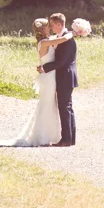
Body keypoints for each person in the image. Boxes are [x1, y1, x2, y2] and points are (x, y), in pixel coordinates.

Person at [0, 18, 74, 146]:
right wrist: (73, 33)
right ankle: (42, 135)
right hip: (48, 78)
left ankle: (51, 134)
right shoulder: (44, 42)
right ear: (43, 29)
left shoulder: (45, 41)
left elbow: (57, 40)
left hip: (49, 75)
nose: (50, 28)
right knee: (47, 105)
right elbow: (61, 39)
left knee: (50, 104)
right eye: (48, 26)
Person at [36, 13, 81, 147]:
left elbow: (62, 62)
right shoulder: (61, 38)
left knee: (64, 107)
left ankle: (66, 139)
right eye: (49, 25)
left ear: (59, 25)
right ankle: (70, 139)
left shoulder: (67, 39)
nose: (50, 27)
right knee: (66, 107)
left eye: (52, 25)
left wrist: (45, 68)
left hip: (65, 76)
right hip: (62, 77)